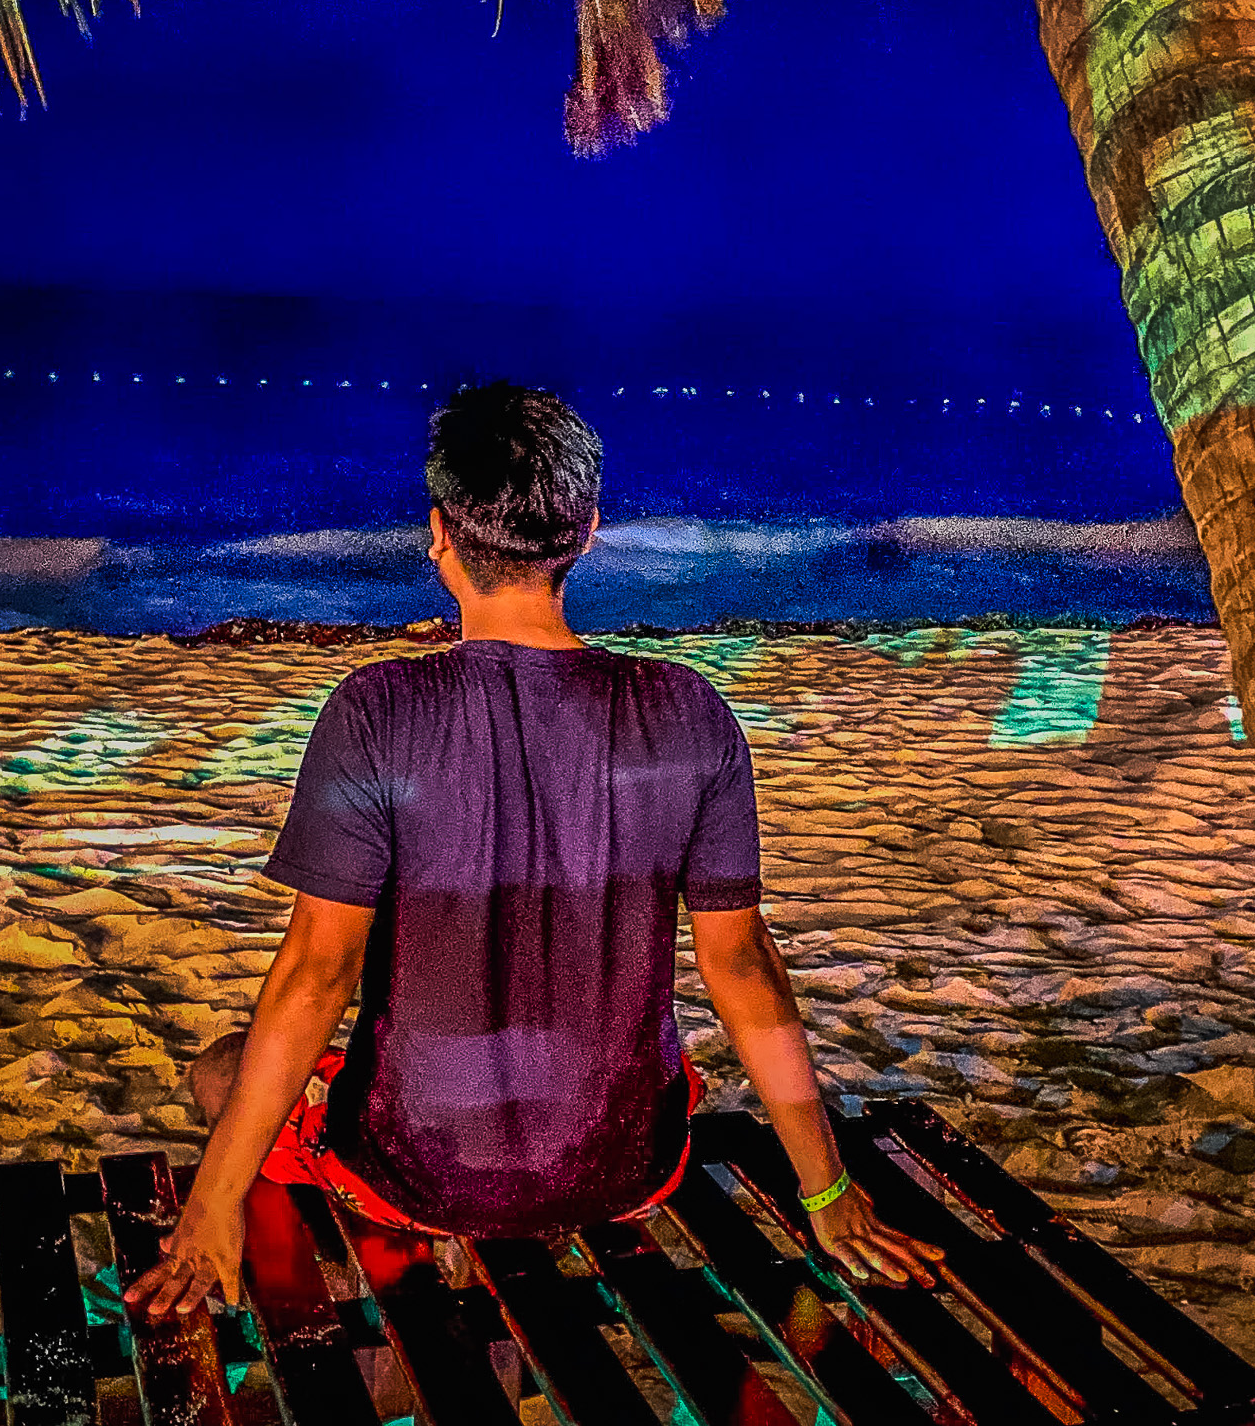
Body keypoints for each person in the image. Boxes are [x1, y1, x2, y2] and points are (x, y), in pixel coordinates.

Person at [125, 382, 942, 1316]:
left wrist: (212, 1202)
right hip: (626, 1166)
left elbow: (316, 975)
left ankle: (359, 1233)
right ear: (587, 531)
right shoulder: (689, 711)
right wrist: (828, 1193)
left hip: (427, 1176)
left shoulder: (377, 712)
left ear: (438, 534)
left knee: (221, 1071)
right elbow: (744, 967)